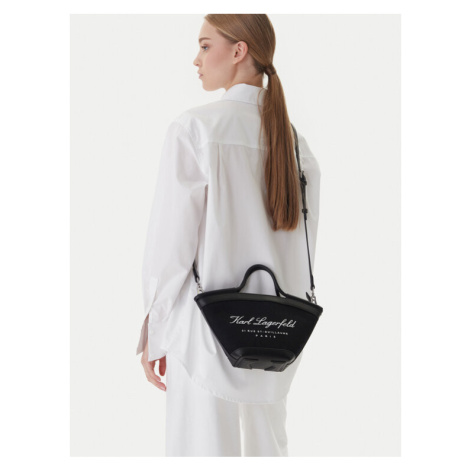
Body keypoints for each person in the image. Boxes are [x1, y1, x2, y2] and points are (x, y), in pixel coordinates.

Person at [135, 14, 321, 457]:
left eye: (205, 46)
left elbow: (171, 247)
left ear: (239, 51)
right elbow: (304, 252)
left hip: (203, 338)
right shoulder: (296, 145)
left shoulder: (196, 130)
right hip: (276, 344)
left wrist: (155, 331)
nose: (196, 59)